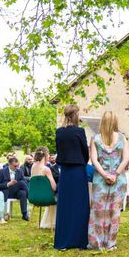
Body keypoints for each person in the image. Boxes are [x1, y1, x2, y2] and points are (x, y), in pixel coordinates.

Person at [88, 111, 129, 250]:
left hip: (100, 179)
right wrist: (116, 174)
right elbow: (126, 158)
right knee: (114, 212)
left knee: (98, 212)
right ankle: (111, 243)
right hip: (119, 180)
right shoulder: (122, 138)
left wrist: (105, 175)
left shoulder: (95, 138)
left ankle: (98, 242)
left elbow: (94, 160)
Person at [54, 105, 90, 249]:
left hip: (65, 172)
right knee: (80, 205)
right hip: (78, 171)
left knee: (65, 206)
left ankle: (63, 241)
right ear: (75, 115)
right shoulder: (79, 131)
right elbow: (85, 152)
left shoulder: (59, 132)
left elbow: (58, 151)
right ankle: (79, 241)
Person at [31, 146, 58, 228]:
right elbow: (54, 187)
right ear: (46, 155)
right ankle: (55, 222)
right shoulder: (46, 169)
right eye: (49, 154)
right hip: (45, 198)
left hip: (34, 197)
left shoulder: (33, 167)